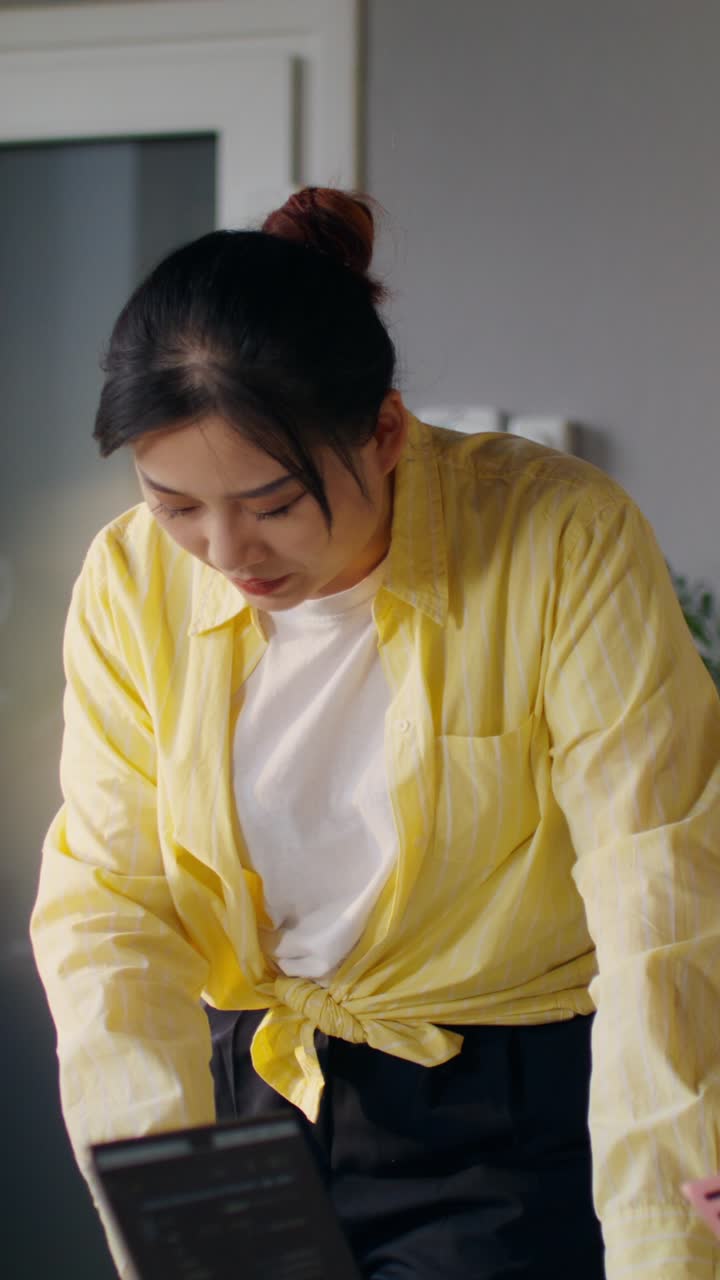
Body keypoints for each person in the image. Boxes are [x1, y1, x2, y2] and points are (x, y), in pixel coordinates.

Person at [31, 187, 719, 1280]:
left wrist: (663, 1235)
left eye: (273, 500)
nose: (223, 548)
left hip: (501, 1114)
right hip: (253, 1093)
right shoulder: (128, 577)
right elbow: (111, 903)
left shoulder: (560, 537)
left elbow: (660, 883)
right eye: (176, 504)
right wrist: (164, 1193)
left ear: (385, 431)